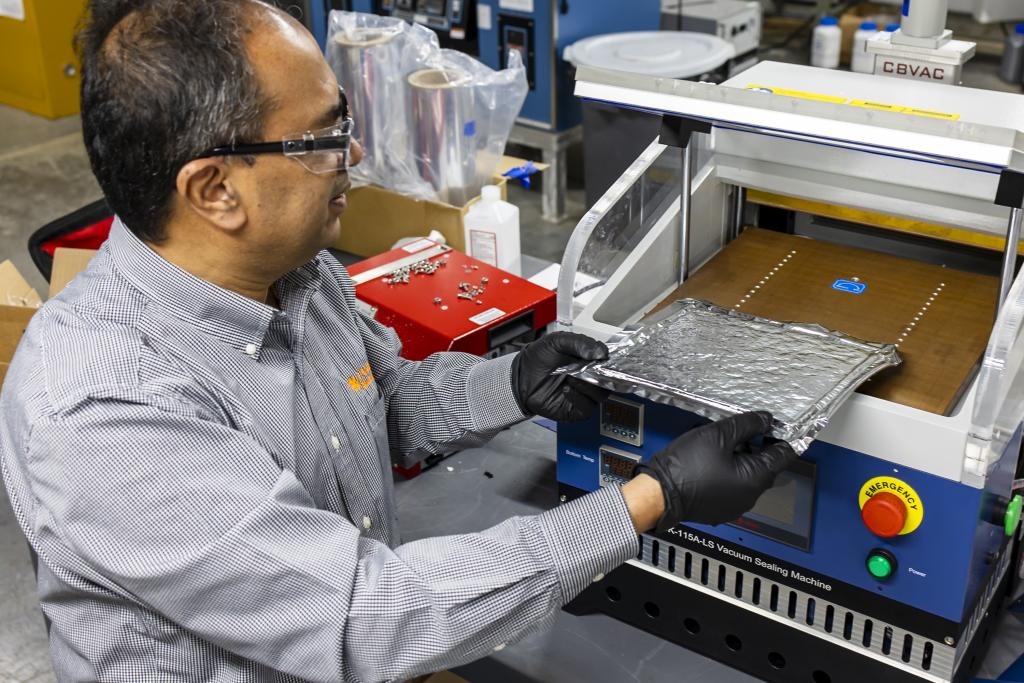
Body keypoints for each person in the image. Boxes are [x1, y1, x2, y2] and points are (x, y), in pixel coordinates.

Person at [0, 1, 797, 681]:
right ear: (215, 190)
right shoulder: (103, 411)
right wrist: (654, 496)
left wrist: (512, 382)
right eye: (319, 140)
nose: (349, 157)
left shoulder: (297, 273)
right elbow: (366, 614)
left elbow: (383, 403)